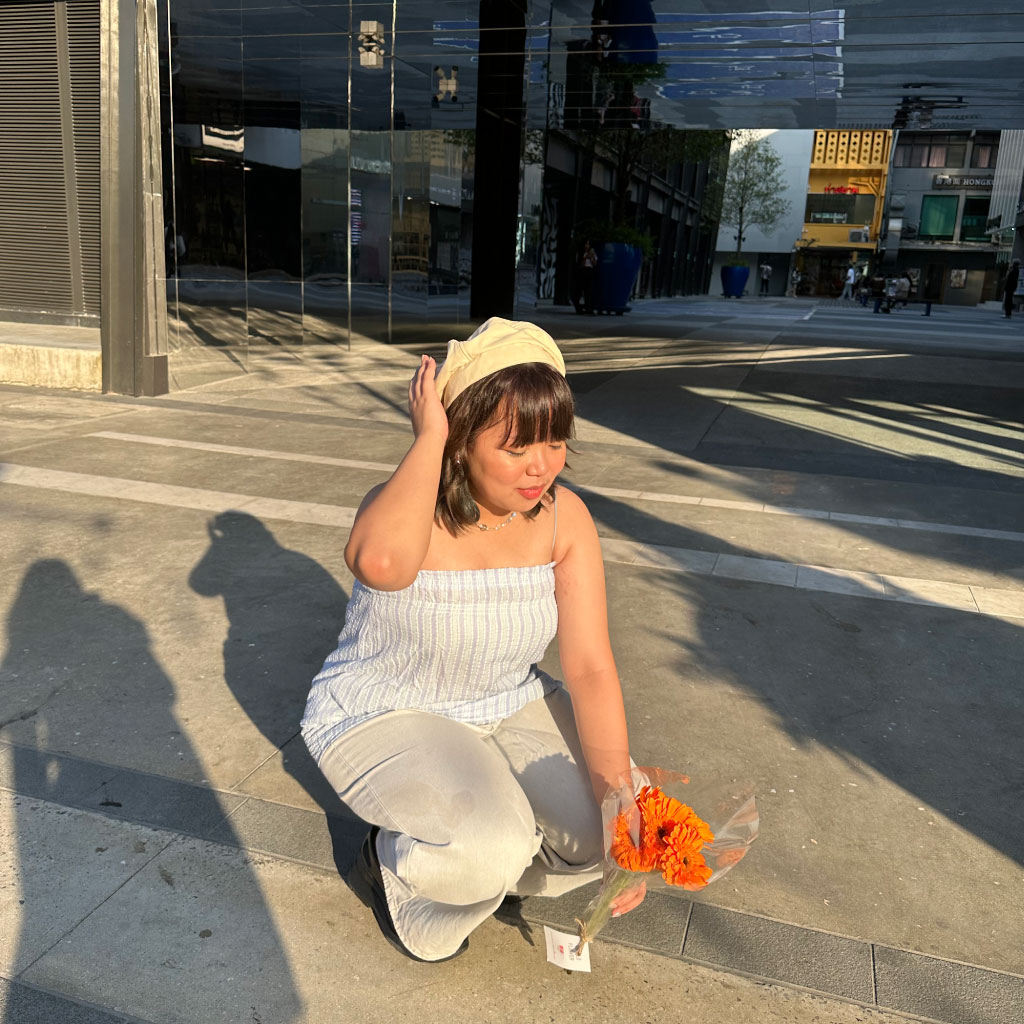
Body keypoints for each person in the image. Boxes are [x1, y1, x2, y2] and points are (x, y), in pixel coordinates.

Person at [301, 318, 644, 963]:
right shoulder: (407, 504)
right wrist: (429, 439)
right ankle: (394, 863)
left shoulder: (564, 517)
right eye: (515, 447)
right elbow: (378, 563)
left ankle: (480, 862)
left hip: (507, 701)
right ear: (461, 441)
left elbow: (591, 666)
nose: (541, 466)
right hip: (388, 710)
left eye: (554, 440)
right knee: (494, 844)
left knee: (611, 828)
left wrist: (618, 793)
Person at [579, 240, 598, 314]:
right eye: (586, 244)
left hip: (590, 271)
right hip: (584, 271)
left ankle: (590, 307)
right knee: (584, 290)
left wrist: (591, 257)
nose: (587, 246)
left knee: (590, 290)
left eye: (588, 244)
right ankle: (585, 306)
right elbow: (581, 264)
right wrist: (585, 257)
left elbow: (595, 264)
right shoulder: (582, 253)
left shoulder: (592, 254)